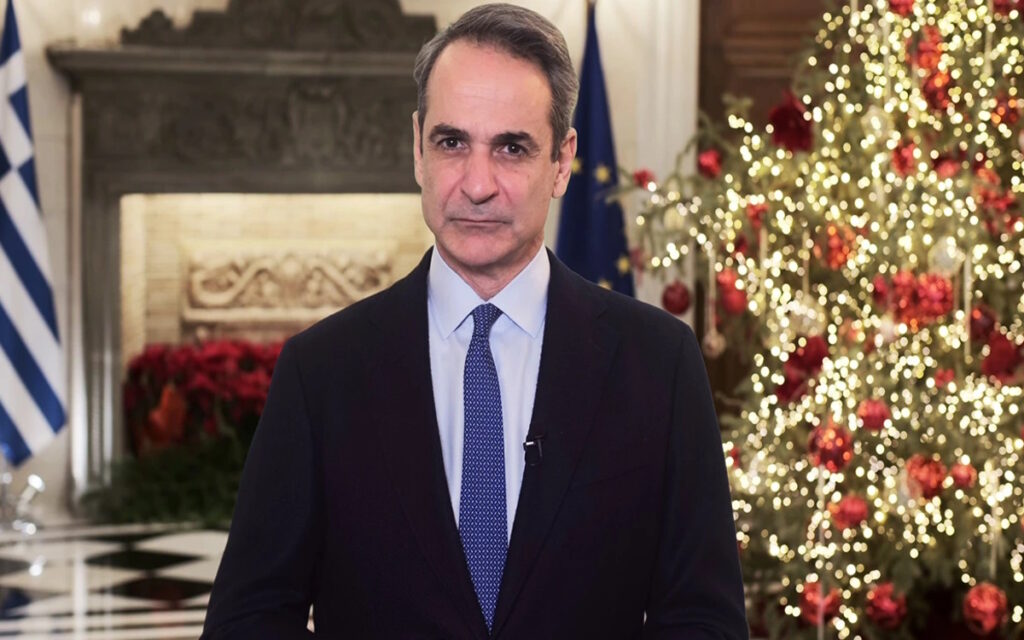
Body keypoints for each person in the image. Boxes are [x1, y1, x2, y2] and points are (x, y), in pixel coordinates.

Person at [201, 4, 748, 639]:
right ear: (418, 149)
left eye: (511, 148)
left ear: (562, 162)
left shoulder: (658, 362)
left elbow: (703, 620)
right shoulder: (321, 371)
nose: (477, 184)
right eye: (452, 143)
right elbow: (249, 620)